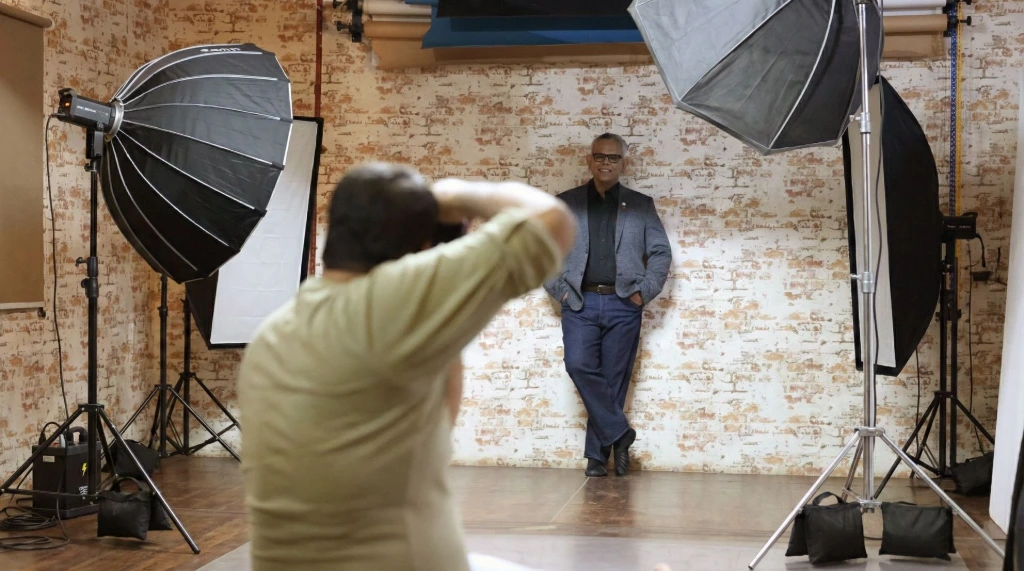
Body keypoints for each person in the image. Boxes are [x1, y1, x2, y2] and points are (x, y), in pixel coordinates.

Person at [236, 163, 576, 571]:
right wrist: (455, 194)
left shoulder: (275, 333)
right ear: (420, 247)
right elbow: (552, 221)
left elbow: (435, 415)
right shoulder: (387, 307)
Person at [544, 133, 672, 478]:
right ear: (589, 160)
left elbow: (660, 252)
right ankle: (621, 432)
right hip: (580, 300)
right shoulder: (566, 203)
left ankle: (597, 459)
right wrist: (563, 293)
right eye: (599, 156)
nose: (605, 162)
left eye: (613, 158)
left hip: (622, 302)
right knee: (579, 364)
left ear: (623, 163)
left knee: (614, 378)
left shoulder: (641, 205)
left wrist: (642, 293)